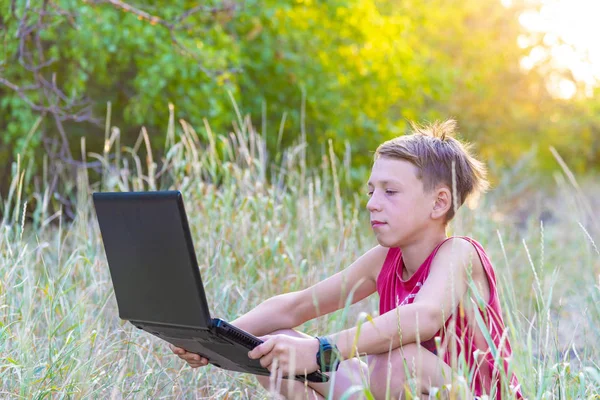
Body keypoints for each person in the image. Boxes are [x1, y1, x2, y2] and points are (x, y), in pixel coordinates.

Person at [170, 119, 522, 399]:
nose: (372, 203)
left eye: (391, 191)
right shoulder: (384, 259)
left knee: (396, 361)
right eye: (372, 191)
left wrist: (323, 350)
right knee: (275, 348)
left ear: (439, 203)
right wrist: (213, 338)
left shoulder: (459, 253)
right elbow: (296, 306)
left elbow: (423, 317)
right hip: (398, 387)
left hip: (474, 394)